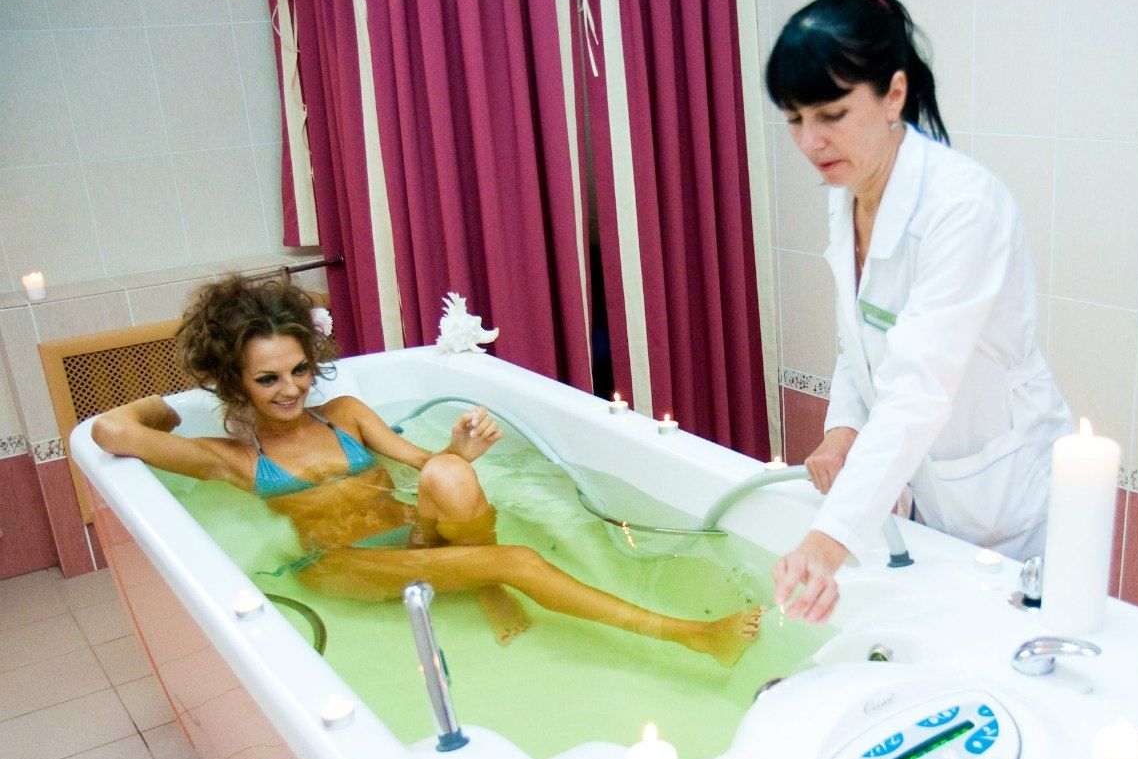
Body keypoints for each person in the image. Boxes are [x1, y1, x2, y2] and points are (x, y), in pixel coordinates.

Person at [92, 275, 762, 666]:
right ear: (234, 380)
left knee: (449, 477)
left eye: (298, 369)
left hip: (412, 540)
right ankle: (694, 637)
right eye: (267, 379)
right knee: (520, 560)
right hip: (343, 564)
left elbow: (423, 464)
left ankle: (478, 579)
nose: (291, 388)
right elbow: (111, 430)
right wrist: (171, 410)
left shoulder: (346, 414)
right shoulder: (238, 459)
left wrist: (457, 449)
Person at [766, 0, 1073, 625]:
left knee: (1002, 636)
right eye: (795, 118)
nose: (809, 142)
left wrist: (827, 541)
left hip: (1001, 492)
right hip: (928, 478)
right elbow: (861, 338)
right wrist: (842, 430)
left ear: (894, 94)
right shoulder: (848, 192)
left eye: (831, 114)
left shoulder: (963, 208)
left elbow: (918, 386)